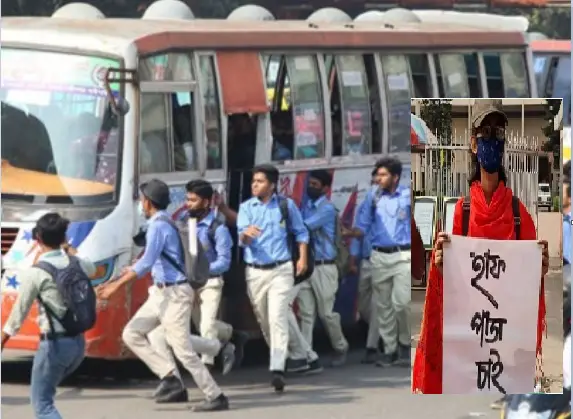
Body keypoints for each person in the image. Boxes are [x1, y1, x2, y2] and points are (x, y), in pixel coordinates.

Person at [412, 99, 549, 394]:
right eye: (485, 132)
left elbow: (527, 295)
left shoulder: (519, 215)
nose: (492, 140)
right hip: (468, 352)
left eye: (498, 133)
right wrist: (440, 267)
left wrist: (539, 268)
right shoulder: (461, 213)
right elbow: (450, 291)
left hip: (507, 355)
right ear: (473, 144)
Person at [96, 179, 232, 411]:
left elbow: (146, 263)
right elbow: (145, 260)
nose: (140, 204)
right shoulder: (159, 223)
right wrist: (114, 279)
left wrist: (114, 288)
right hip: (160, 293)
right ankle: (170, 378)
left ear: (148, 202)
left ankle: (215, 395)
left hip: (175, 293)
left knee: (183, 350)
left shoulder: (159, 225)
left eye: (141, 200)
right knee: (132, 333)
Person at [1, 213, 95, 419]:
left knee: (43, 405)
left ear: (38, 238)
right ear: (63, 237)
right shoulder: (76, 262)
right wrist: (69, 248)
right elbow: (92, 267)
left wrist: (2, 340)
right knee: (47, 398)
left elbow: (19, 312)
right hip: (78, 343)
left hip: (54, 346)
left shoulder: (36, 273)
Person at [147, 179, 237, 372]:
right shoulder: (181, 222)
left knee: (206, 325)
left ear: (206, 202)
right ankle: (229, 335)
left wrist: (201, 271)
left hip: (211, 282)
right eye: (187, 199)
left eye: (194, 200)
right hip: (188, 283)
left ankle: (207, 366)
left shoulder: (217, 228)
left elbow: (224, 262)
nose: (188, 204)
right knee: (199, 326)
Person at [237, 164, 309, 392]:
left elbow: (301, 232)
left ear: (272, 185)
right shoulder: (246, 208)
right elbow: (241, 239)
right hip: (255, 271)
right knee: (264, 318)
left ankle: (277, 368)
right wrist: (246, 236)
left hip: (281, 269)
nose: (254, 185)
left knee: (278, 315)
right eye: (253, 181)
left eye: (259, 181)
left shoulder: (286, 206)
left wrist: (302, 259)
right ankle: (281, 354)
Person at [346, 157, 412, 368]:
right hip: (379, 256)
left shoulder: (408, 196)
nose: (379, 179)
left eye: (383, 175)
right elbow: (362, 226)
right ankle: (390, 350)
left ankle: (405, 342)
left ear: (395, 177)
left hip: (404, 255)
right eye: (377, 175)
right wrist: (349, 233)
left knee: (402, 303)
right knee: (383, 307)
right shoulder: (372, 198)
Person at [296, 169, 349, 366]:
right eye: (310, 184)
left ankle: (341, 347)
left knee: (326, 314)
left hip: (325, 267)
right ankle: (305, 354)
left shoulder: (326, 209)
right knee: (306, 314)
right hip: (307, 265)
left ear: (326, 189)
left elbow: (303, 226)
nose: (311, 188)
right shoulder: (306, 206)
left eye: (315, 185)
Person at [348, 169, 379, 364]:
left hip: (381, 259)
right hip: (366, 261)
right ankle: (386, 329)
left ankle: (372, 347)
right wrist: (352, 260)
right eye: (374, 182)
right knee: (364, 305)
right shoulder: (364, 207)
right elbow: (358, 235)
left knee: (376, 304)